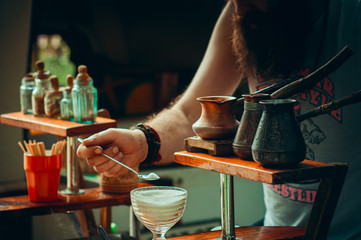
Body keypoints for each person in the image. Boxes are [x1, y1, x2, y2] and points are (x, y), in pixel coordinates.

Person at [77, 0, 361, 239]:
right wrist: (142, 141)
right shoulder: (241, 16)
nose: (238, 9)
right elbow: (191, 114)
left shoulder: (350, 17)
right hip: (275, 230)